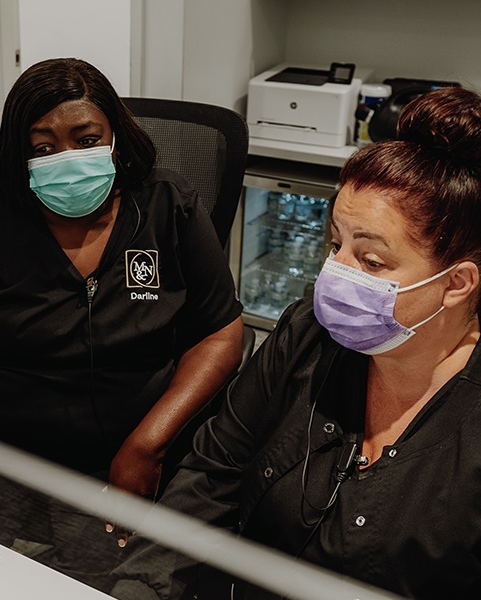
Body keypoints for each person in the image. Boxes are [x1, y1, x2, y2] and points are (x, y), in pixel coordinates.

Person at [110, 86, 481, 600]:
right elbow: (215, 470)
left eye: (371, 261)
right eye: (336, 244)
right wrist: (138, 588)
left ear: (457, 283)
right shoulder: (308, 334)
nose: (335, 272)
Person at [0, 58, 244, 592]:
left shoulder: (168, 208)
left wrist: (145, 446)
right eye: (44, 148)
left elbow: (220, 333)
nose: (68, 159)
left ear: (116, 140)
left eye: (86, 139)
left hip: (116, 464)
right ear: (21, 155)